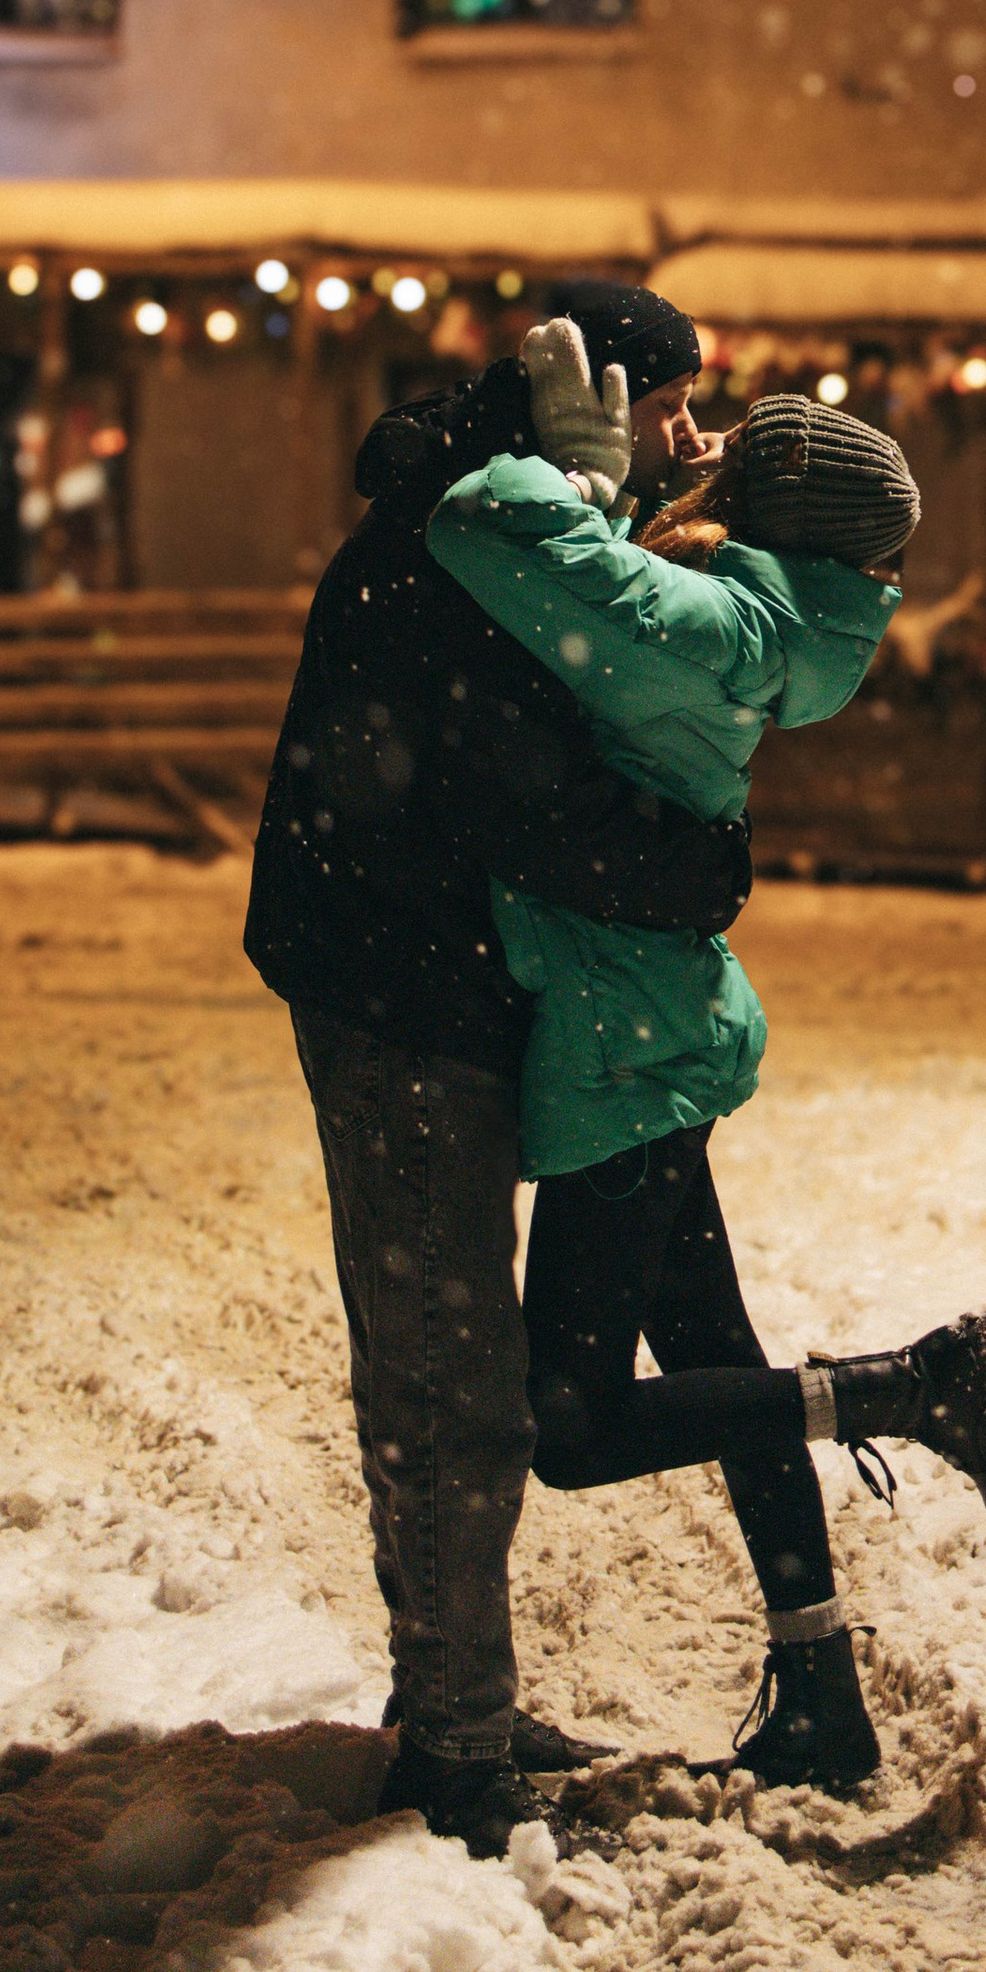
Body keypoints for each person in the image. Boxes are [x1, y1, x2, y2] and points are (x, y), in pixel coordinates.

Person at [425, 330, 986, 1799]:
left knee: (568, 1429)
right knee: (715, 1365)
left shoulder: (710, 626)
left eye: (730, 454)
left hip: (618, 1042)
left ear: (772, 516)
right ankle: (823, 1693)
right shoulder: (768, 611)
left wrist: (582, 469)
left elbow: (480, 526)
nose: (693, 450)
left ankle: (905, 1391)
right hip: (651, 1023)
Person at [245, 279, 750, 1859]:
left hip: (437, 960)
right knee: (449, 1355)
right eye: (668, 402)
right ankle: (456, 1737)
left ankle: (453, 1692)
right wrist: (698, 866)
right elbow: (519, 796)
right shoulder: (475, 542)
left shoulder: (516, 521)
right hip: (398, 977)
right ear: (589, 398)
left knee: (456, 1346)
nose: (689, 435)